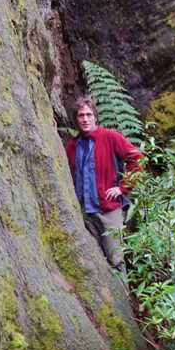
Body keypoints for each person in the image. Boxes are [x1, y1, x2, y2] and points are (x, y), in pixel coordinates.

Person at [64, 97, 142, 272]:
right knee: (95, 264)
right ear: (75, 119)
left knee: (116, 260)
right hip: (84, 214)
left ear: (95, 117)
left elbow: (137, 159)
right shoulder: (71, 146)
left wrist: (123, 188)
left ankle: (125, 297)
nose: (85, 119)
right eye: (80, 115)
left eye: (88, 115)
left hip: (109, 210)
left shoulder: (110, 137)